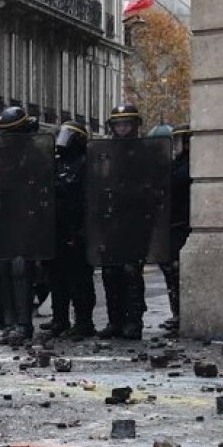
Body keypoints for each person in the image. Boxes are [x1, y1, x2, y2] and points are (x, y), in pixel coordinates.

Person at [0, 106, 40, 342]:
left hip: (26, 218)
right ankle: (9, 322)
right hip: (4, 218)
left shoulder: (35, 155)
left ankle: (23, 324)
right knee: (2, 269)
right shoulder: (0, 156)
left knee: (20, 268)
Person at [99, 104, 147, 340]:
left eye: (127, 124)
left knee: (130, 272)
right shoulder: (106, 151)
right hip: (111, 220)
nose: (122, 129)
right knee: (110, 271)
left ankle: (133, 321)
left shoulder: (144, 151)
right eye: (118, 125)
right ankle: (114, 320)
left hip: (134, 220)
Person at [46, 120, 96, 338]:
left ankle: (84, 322)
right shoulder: (58, 163)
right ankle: (60, 319)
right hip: (57, 227)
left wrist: (82, 230)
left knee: (79, 279)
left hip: (77, 227)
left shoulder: (86, 163)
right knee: (56, 277)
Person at [160, 124, 192, 334]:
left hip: (182, 224)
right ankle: (177, 313)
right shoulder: (177, 164)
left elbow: (173, 183)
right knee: (171, 271)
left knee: (176, 270)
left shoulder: (188, 166)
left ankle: (181, 313)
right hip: (173, 224)